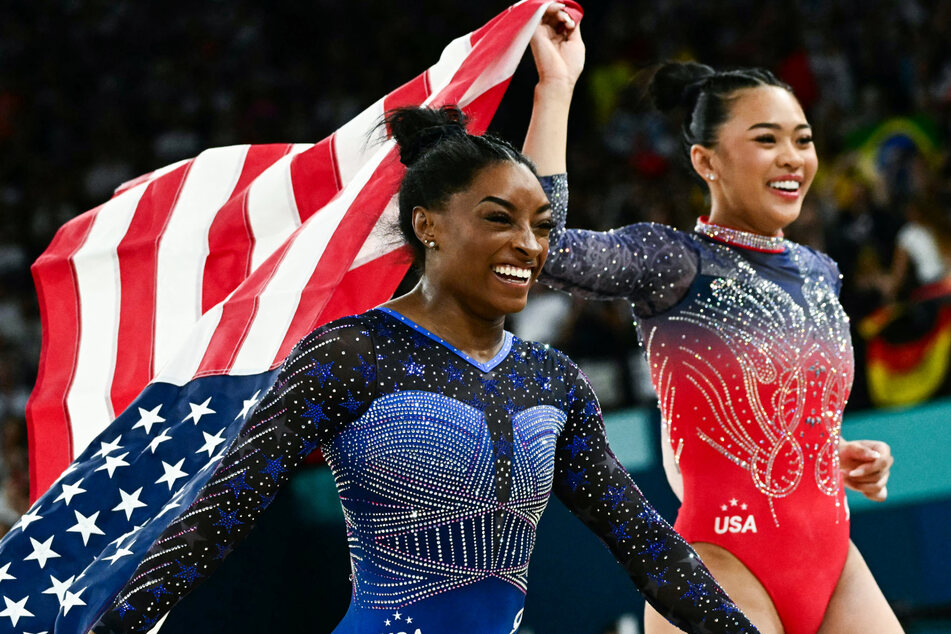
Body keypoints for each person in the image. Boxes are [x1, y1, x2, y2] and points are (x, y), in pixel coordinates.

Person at [90, 9, 759, 634]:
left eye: (541, 226)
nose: (528, 244)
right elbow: (215, 518)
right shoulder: (350, 354)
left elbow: (647, 546)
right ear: (427, 225)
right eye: (499, 219)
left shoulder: (551, 380)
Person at [521, 27, 900, 634]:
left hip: (833, 564)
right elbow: (543, 241)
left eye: (802, 140)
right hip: (720, 566)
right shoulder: (673, 262)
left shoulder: (819, 271)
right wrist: (557, 88)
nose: (792, 158)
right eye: (766, 139)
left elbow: (782, 419)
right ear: (706, 161)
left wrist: (839, 455)